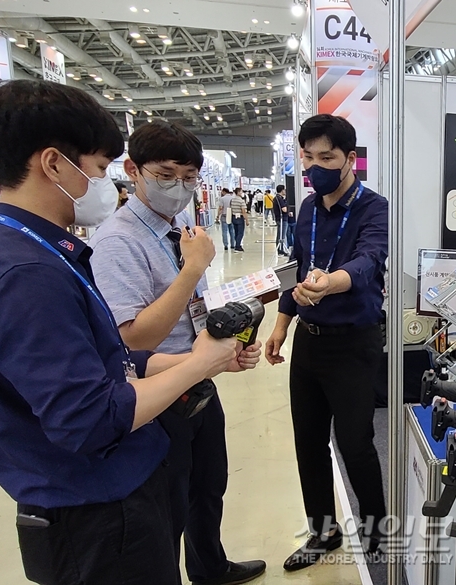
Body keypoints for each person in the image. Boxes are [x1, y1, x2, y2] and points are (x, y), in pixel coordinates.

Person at [0, 79, 257, 585]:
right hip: (95, 512)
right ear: (54, 164)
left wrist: (199, 360)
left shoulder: (48, 252)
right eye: (98, 170)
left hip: (120, 490)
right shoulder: (24, 275)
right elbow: (91, 417)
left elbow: (112, 359)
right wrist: (199, 363)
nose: (104, 185)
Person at [89, 120, 265, 585]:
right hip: (158, 392)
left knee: (209, 485)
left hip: (198, 375)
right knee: (166, 502)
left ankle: (210, 566)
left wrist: (226, 347)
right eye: (166, 175)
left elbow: (196, 304)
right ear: (133, 170)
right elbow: (133, 338)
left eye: (189, 178)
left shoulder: (180, 224)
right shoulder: (117, 241)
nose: (179, 188)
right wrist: (193, 269)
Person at [264, 114, 388, 571]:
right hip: (308, 343)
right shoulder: (308, 208)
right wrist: (281, 326)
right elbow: (296, 267)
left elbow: (366, 261)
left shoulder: (374, 208)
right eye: (308, 157)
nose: (315, 167)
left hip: (353, 344)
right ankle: (324, 531)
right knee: (308, 441)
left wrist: (328, 282)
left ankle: (377, 531)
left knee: (355, 443)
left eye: (326, 158)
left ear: (349, 159)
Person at [228, 187, 248, 252]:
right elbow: (243, 211)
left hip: (234, 217)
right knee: (240, 233)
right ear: (238, 192)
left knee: (236, 232)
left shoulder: (232, 200)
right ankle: (237, 246)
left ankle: (237, 244)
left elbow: (231, 208)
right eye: (241, 192)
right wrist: (247, 220)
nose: (242, 193)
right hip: (240, 217)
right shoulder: (241, 201)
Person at [273, 185, 289, 256]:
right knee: (281, 235)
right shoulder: (279, 199)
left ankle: (281, 249)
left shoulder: (278, 198)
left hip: (281, 219)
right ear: (282, 190)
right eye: (284, 190)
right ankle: (280, 250)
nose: (285, 191)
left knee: (281, 234)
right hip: (282, 219)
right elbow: (284, 209)